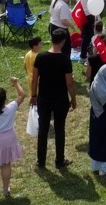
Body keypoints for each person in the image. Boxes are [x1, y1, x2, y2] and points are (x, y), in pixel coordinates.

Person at [32, 33, 77, 168]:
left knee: (43, 129)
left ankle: (41, 161)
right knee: (59, 129)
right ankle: (59, 160)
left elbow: (35, 79)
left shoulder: (41, 57)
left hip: (44, 98)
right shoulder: (64, 59)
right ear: (63, 41)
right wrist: (73, 98)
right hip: (60, 99)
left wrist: (33, 95)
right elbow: (69, 83)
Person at [0, 79, 27, 198]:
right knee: (6, 164)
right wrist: (16, 83)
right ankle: (6, 190)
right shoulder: (11, 107)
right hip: (9, 139)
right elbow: (22, 95)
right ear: (5, 99)